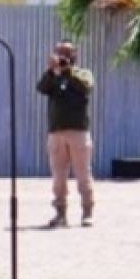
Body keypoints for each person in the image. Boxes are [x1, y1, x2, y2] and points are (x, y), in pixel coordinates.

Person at [36, 40, 95, 228]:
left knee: (83, 175)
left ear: (75, 55)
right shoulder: (53, 76)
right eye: (59, 52)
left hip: (78, 132)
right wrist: (51, 71)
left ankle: (87, 212)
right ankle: (60, 213)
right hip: (56, 133)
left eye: (66, 52)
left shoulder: (83, 74)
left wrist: (68, 70)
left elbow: (86, 87)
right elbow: (41, 88)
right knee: (58, 177)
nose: (62, 56)